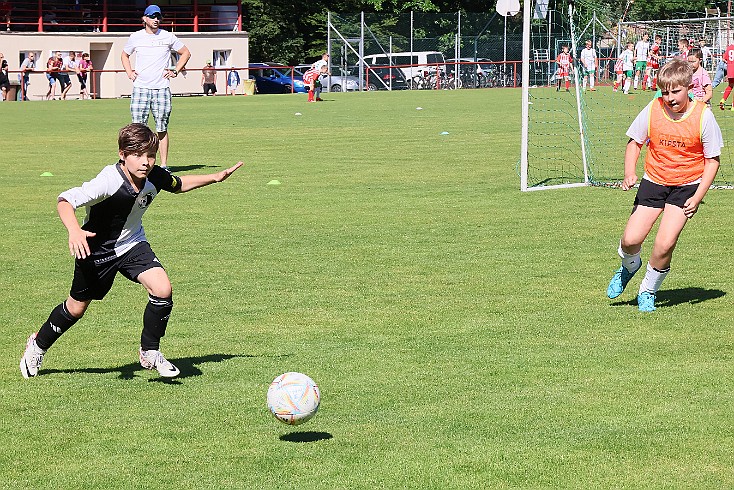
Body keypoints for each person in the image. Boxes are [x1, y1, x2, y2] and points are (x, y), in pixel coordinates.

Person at [19, 123, 244, 379]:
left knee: (162, 289)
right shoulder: (108, 181)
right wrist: (74, 230)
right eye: (137, 155)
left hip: (132, 244)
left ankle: (150, 352)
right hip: (96, 251)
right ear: (122, 154)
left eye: (150, 155)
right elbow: (65, 200)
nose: (145, 162)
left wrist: (215, 177)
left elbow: (179, 183)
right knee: (76, 308)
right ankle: (37, 345)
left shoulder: (155, 176)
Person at [606, 59, 723, 312]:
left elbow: (712, 161)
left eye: (675, 91)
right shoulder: (653, 108)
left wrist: (698, 196)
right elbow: (635, 142)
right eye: (665, 91)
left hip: (687, 186)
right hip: (654, 181)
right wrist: (629, 173)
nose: (669, 98)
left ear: (689, 86)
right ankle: (629, 267)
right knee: (630, 240)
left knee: (665, 243)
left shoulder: (704, 116)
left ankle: (648, 290)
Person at [121, 4, 191, 169]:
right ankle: (138, 162)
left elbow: (186, 52)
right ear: (144, 19)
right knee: (138, 129)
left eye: (158, 17)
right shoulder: (135, 37)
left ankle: (164, 165)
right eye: (152, 17)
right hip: (140, 89)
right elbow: (124, 54)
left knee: (162, 128)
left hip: (161, 89)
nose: (156, 20)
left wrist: (175, 70)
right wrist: (129, 72)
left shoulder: (168, 36)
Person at [718, 42, 734, 110]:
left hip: (730, 69)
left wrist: (729, 62)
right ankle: (733, 106)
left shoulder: (729, 47)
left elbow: (724, 59)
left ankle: (723, 99)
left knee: (730, 85)